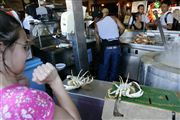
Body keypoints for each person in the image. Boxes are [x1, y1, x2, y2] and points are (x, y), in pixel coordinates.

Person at [0, 10, 80, 120]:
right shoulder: (27, 100)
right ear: (2, 48)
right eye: (24, 46)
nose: (27, 53)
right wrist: (55, 81)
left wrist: (20, 87)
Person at [95, 8, 125, 82]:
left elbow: (98, 41)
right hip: (116, 47)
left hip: (105, 48)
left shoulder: (97, 23)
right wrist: (117, 36)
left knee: (104, 67)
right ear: (107, 13)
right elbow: (122, 28)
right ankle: (113, 85)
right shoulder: (114, 18)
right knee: (115, 68)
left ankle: (101, 85)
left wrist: (98, 51)